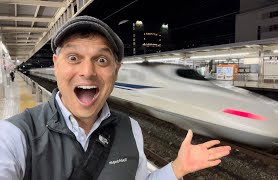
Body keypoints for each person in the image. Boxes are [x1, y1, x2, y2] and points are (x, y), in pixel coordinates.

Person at [0, 15, 231, 180]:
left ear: (116, 71)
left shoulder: (131, 128)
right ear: (56, 65)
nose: (88, 71)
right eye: (73, 58)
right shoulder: (15, 136)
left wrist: (178, 167)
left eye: (101, 60)